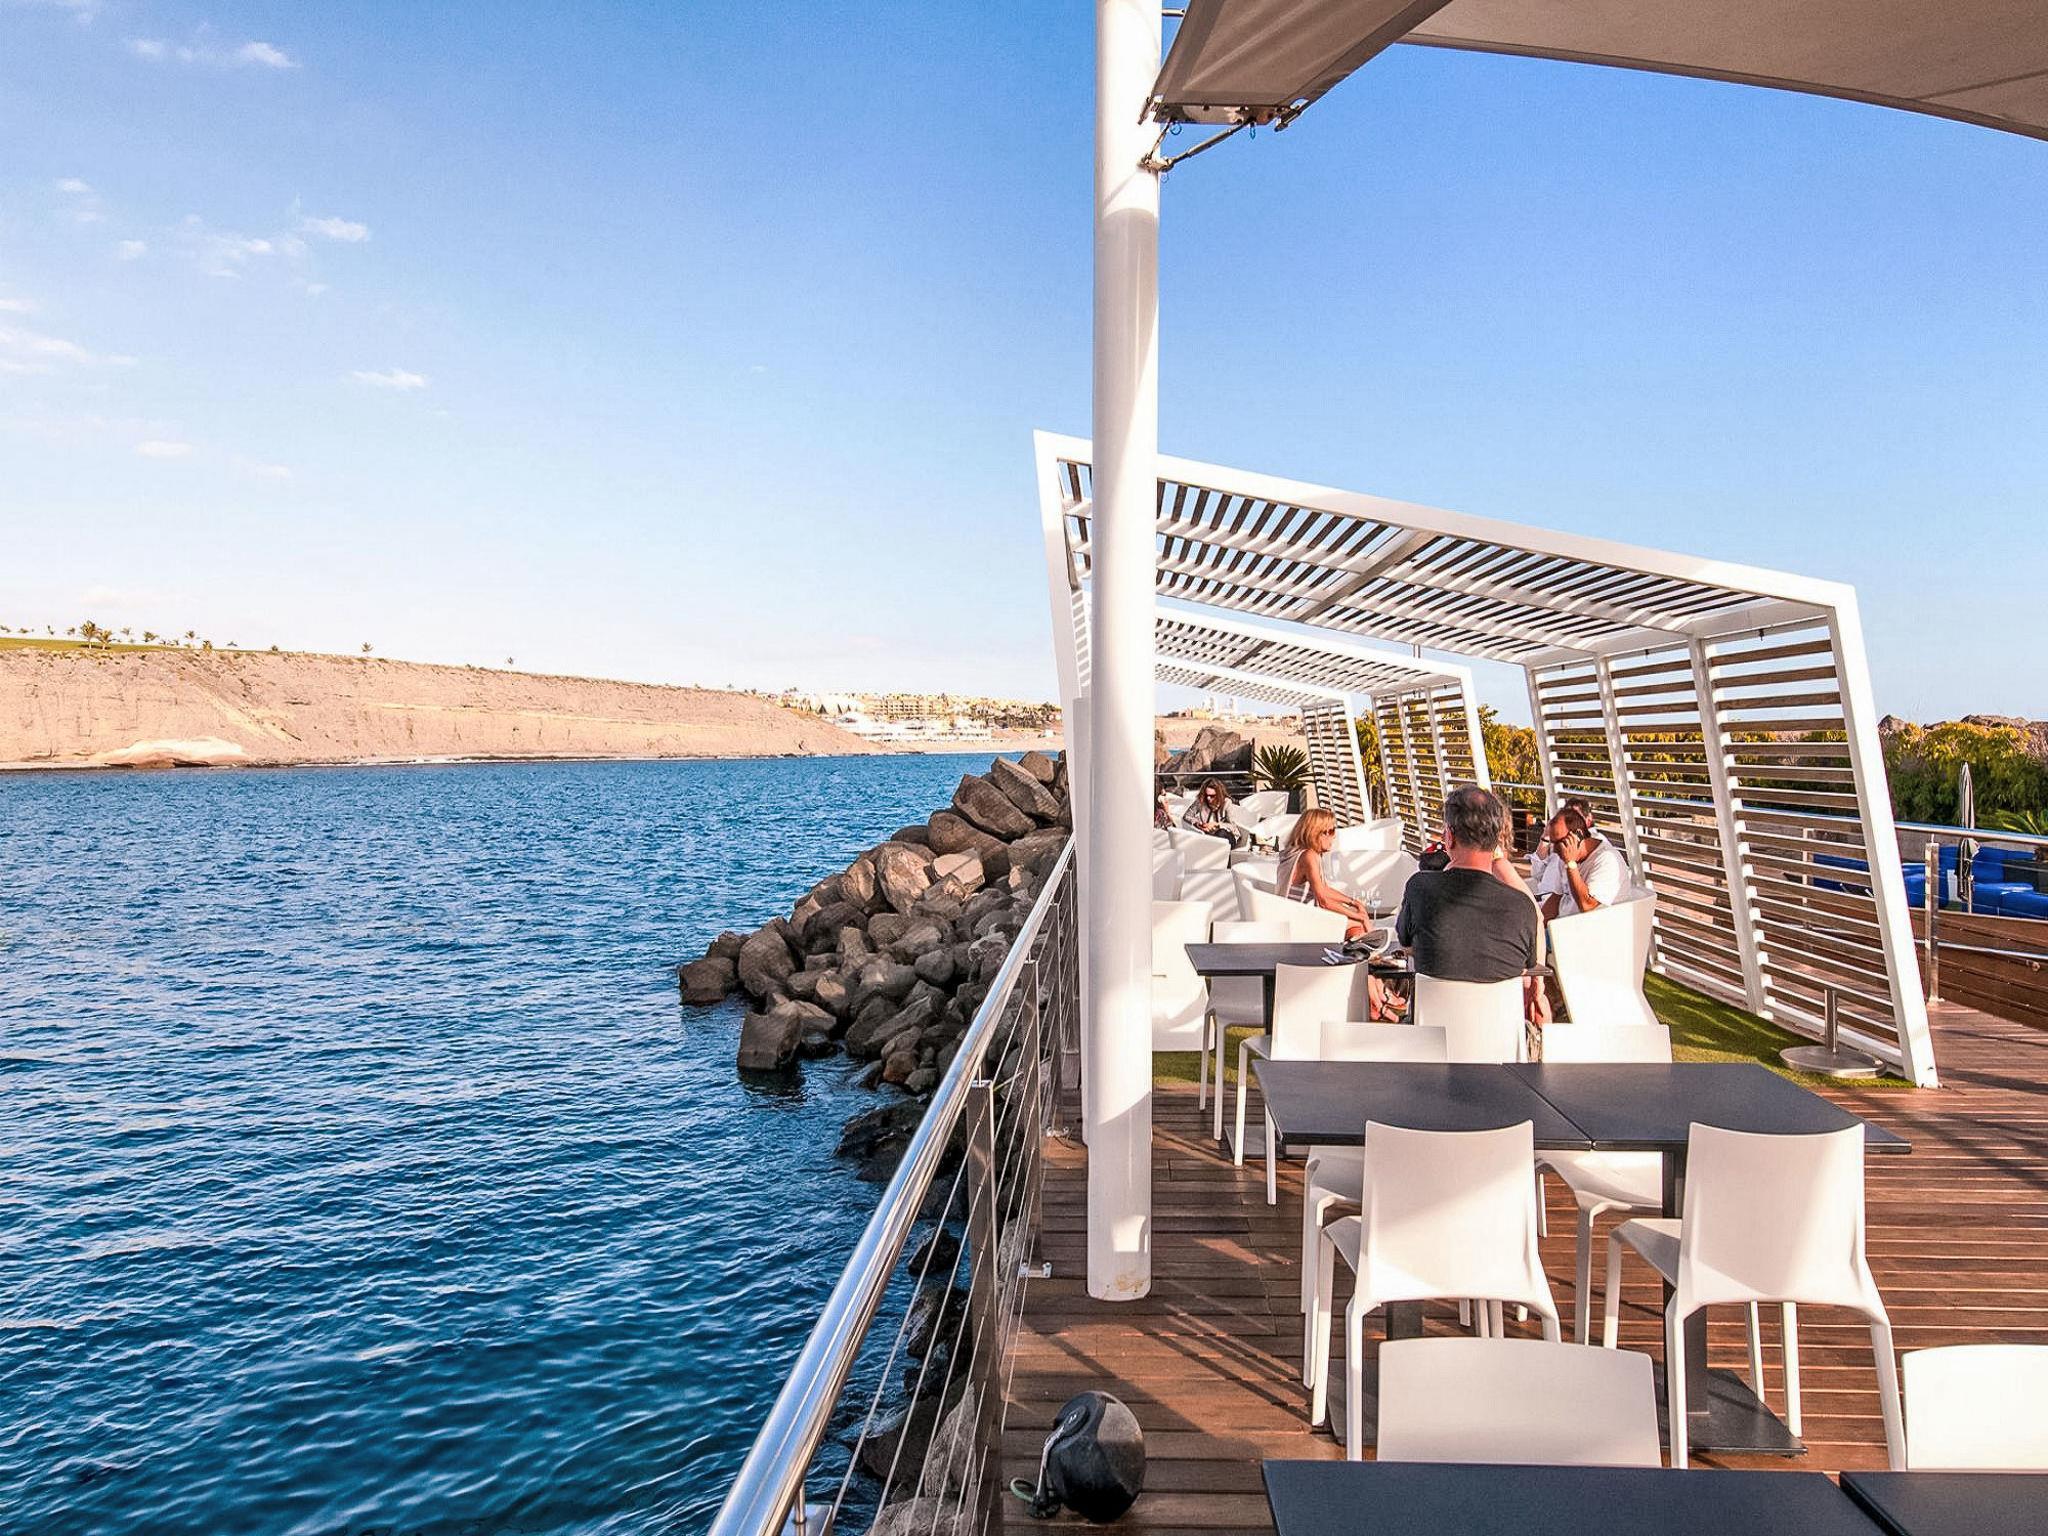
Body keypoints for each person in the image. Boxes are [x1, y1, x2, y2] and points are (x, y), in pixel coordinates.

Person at [1396, 785, 1544, 1024]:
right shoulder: (1522, 907)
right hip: (1500, 1043)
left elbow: (1407, 945)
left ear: (1449, 836)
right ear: (1496, 839)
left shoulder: (1420, 889)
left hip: (1431, 1040)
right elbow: (1527, 966)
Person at [1278, 807, 1403, 1019]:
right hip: (1300, 925)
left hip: (1296, 918)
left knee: (1359, 937)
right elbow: (1323, 899)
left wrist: (1354, 903)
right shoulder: (1309, 856)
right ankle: (1378, 995)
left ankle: (1376, 995)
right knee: (1358, 930)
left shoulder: (1299, 853)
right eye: (1329, 831)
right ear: (1315, 833)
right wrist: (1358, 915)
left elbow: (1324, 890)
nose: (1333, 837)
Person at [1537, 804, 1628, 920]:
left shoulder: (1607, 860)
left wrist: (1571, 864)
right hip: (1562, 924)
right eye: (1553, 843)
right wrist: (1538, 926)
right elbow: (1556, 898)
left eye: (1559, 842)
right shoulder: (1565, 856)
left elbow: (1587, 905)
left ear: (1578, 835)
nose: (1555, 850)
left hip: (1591, 927)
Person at [1181, 778, 1250, 850]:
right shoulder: (1201, 801)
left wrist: (1216, 824)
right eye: (1206, 795)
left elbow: (1232, 826)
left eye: (1212, 796)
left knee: (1221, 833)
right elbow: (1187, 816)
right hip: (1209, 837)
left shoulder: (1226, 803)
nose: (1208, 798)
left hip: (1227, 836)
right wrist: (1198, 823)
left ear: (1219, 794)